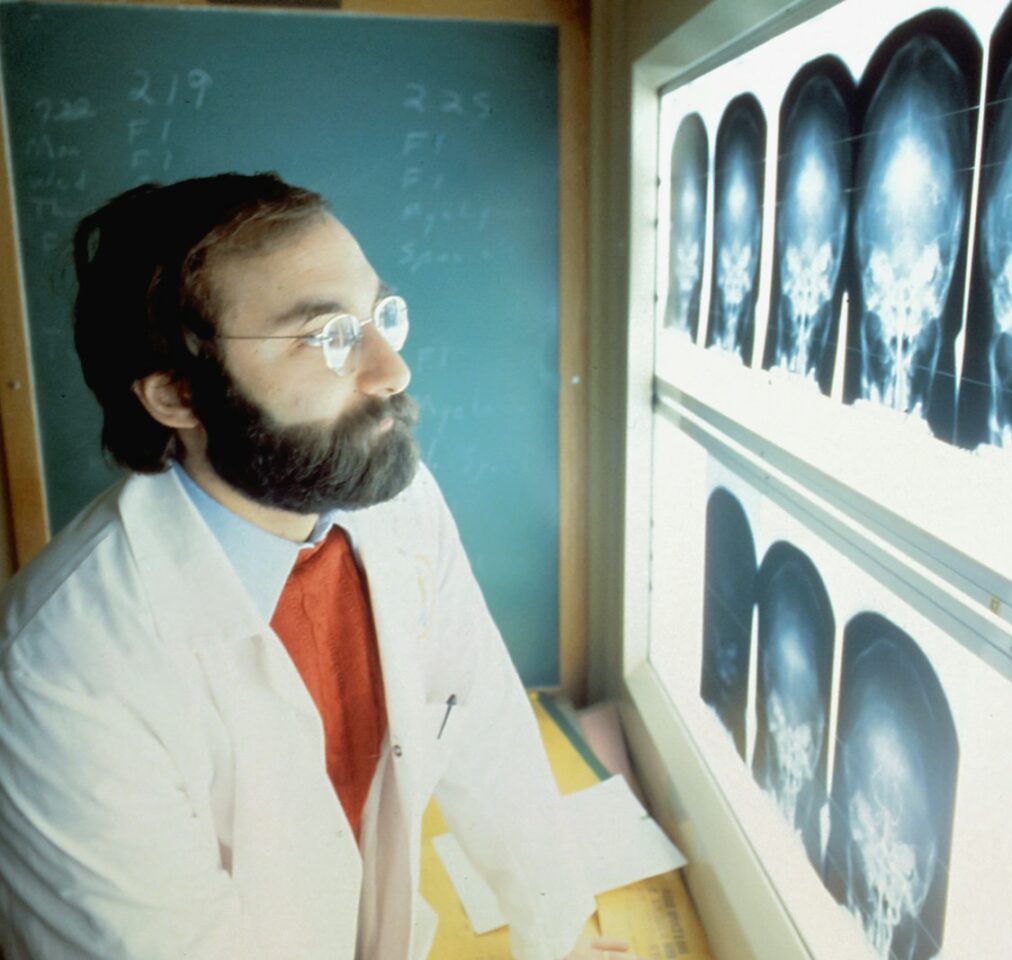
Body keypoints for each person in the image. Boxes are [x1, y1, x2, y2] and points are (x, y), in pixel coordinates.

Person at [0, 174, 627, 960]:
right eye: (327, 336)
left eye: (379, 317)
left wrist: (560, 934)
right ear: (177, 395)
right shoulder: (61, 670)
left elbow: (484, 717)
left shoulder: (390, 500)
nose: (391, 371)